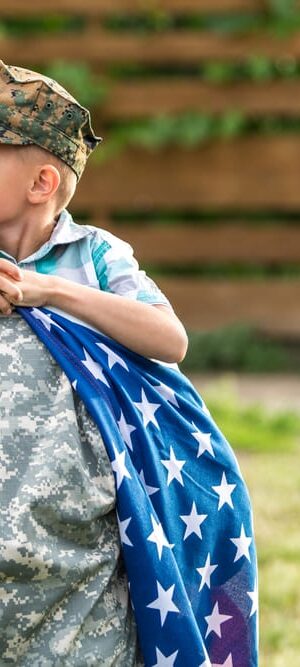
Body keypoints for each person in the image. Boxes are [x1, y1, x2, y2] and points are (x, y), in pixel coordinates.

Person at [0, 60, 186, 665]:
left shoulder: (96, 255)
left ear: (41, 183)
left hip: (78, 512)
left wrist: (46, 292)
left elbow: (169, 341)